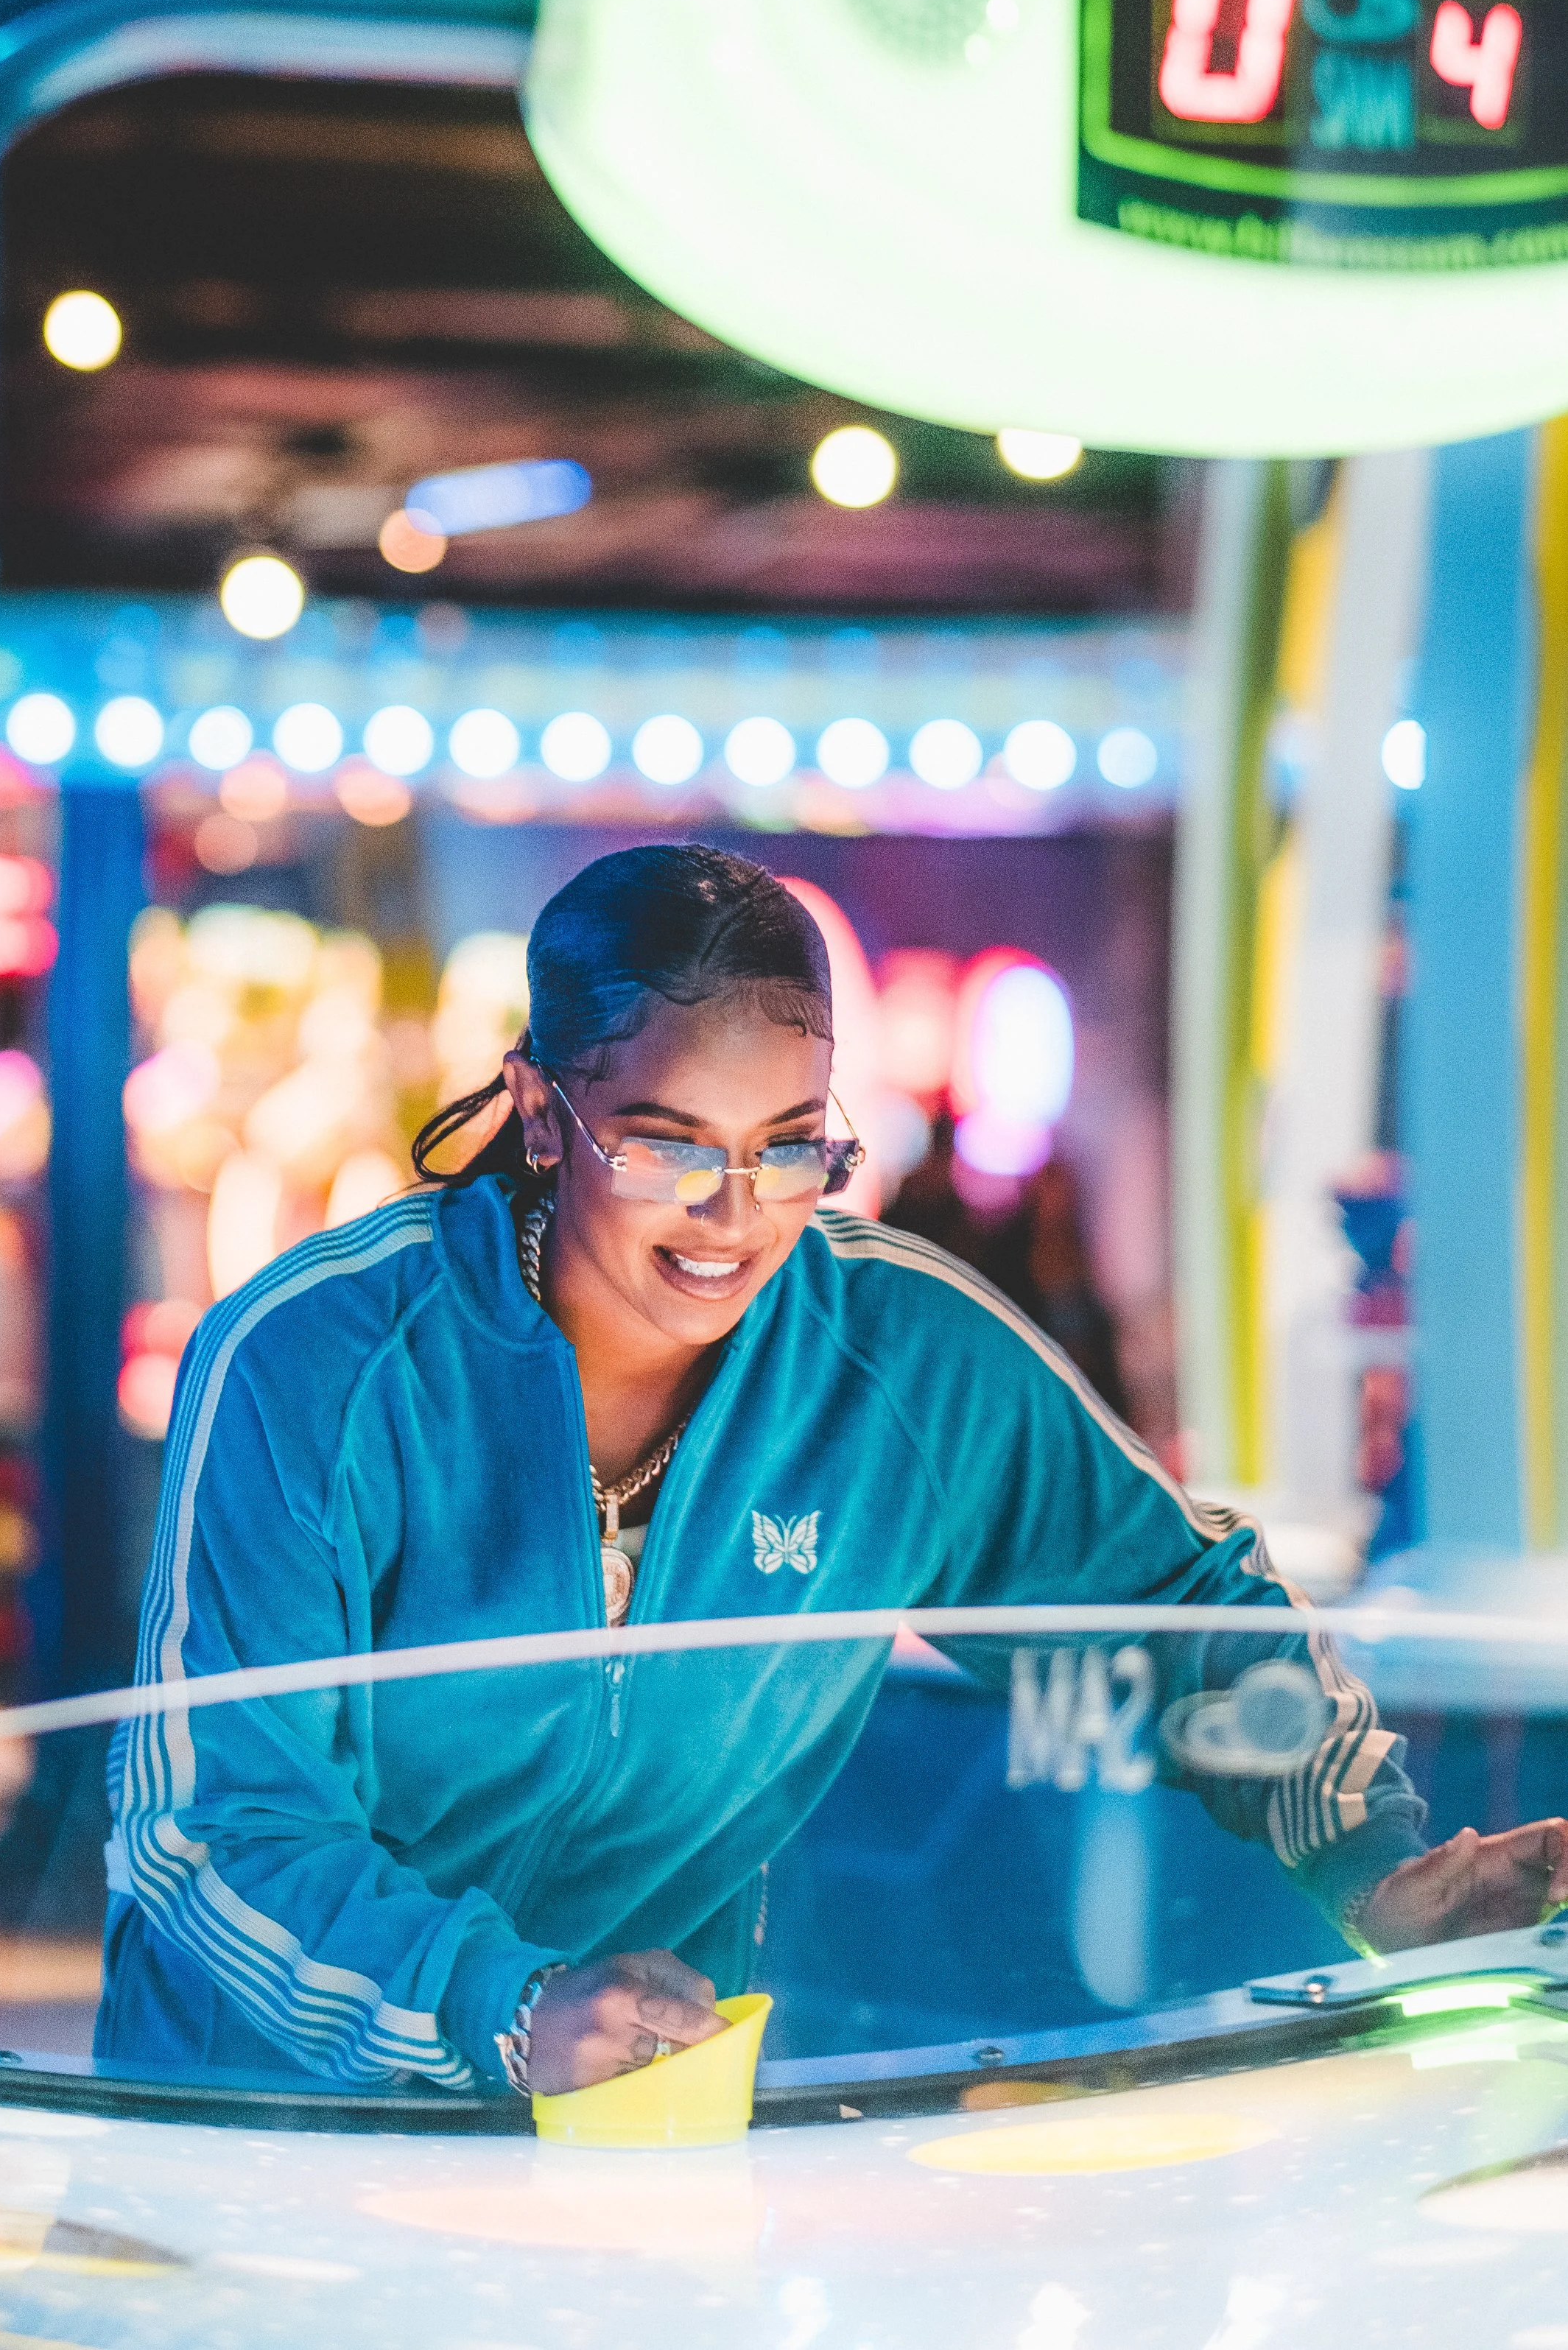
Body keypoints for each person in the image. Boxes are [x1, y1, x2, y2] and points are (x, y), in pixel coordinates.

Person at [96, 845, 1568, 2100]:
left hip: (631, 2143)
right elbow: (207, 1829)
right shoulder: (313, 1363)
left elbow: (1174, 1610)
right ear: (540, 1113)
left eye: (790, 1147)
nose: (732, 1216)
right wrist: (501, 2006)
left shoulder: (897, 1355)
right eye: (667, 1146)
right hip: (260, 2139)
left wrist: (1367, 1867)